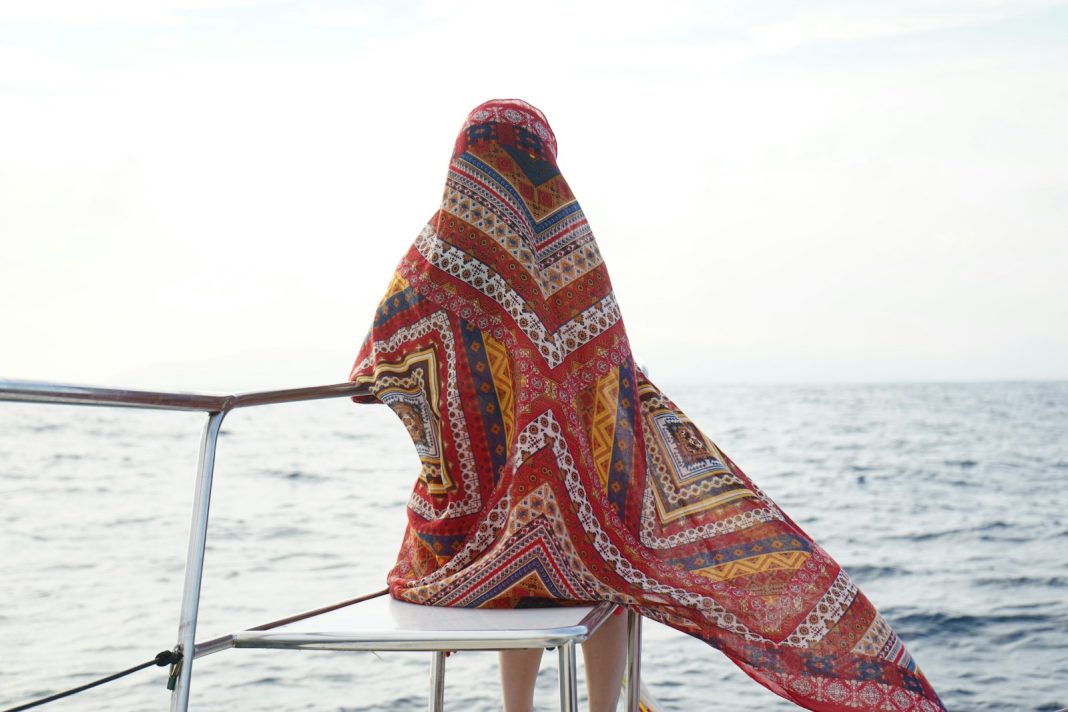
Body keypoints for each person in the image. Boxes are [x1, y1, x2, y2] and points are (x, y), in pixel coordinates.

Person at [350, 98, 945, 711]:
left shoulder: (430, 264)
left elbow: (379, 364)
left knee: (549, 543)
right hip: (573, 528)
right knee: (612, 544)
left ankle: (519, 708)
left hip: (466, 538)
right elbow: (606, 369)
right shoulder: (571, 254)